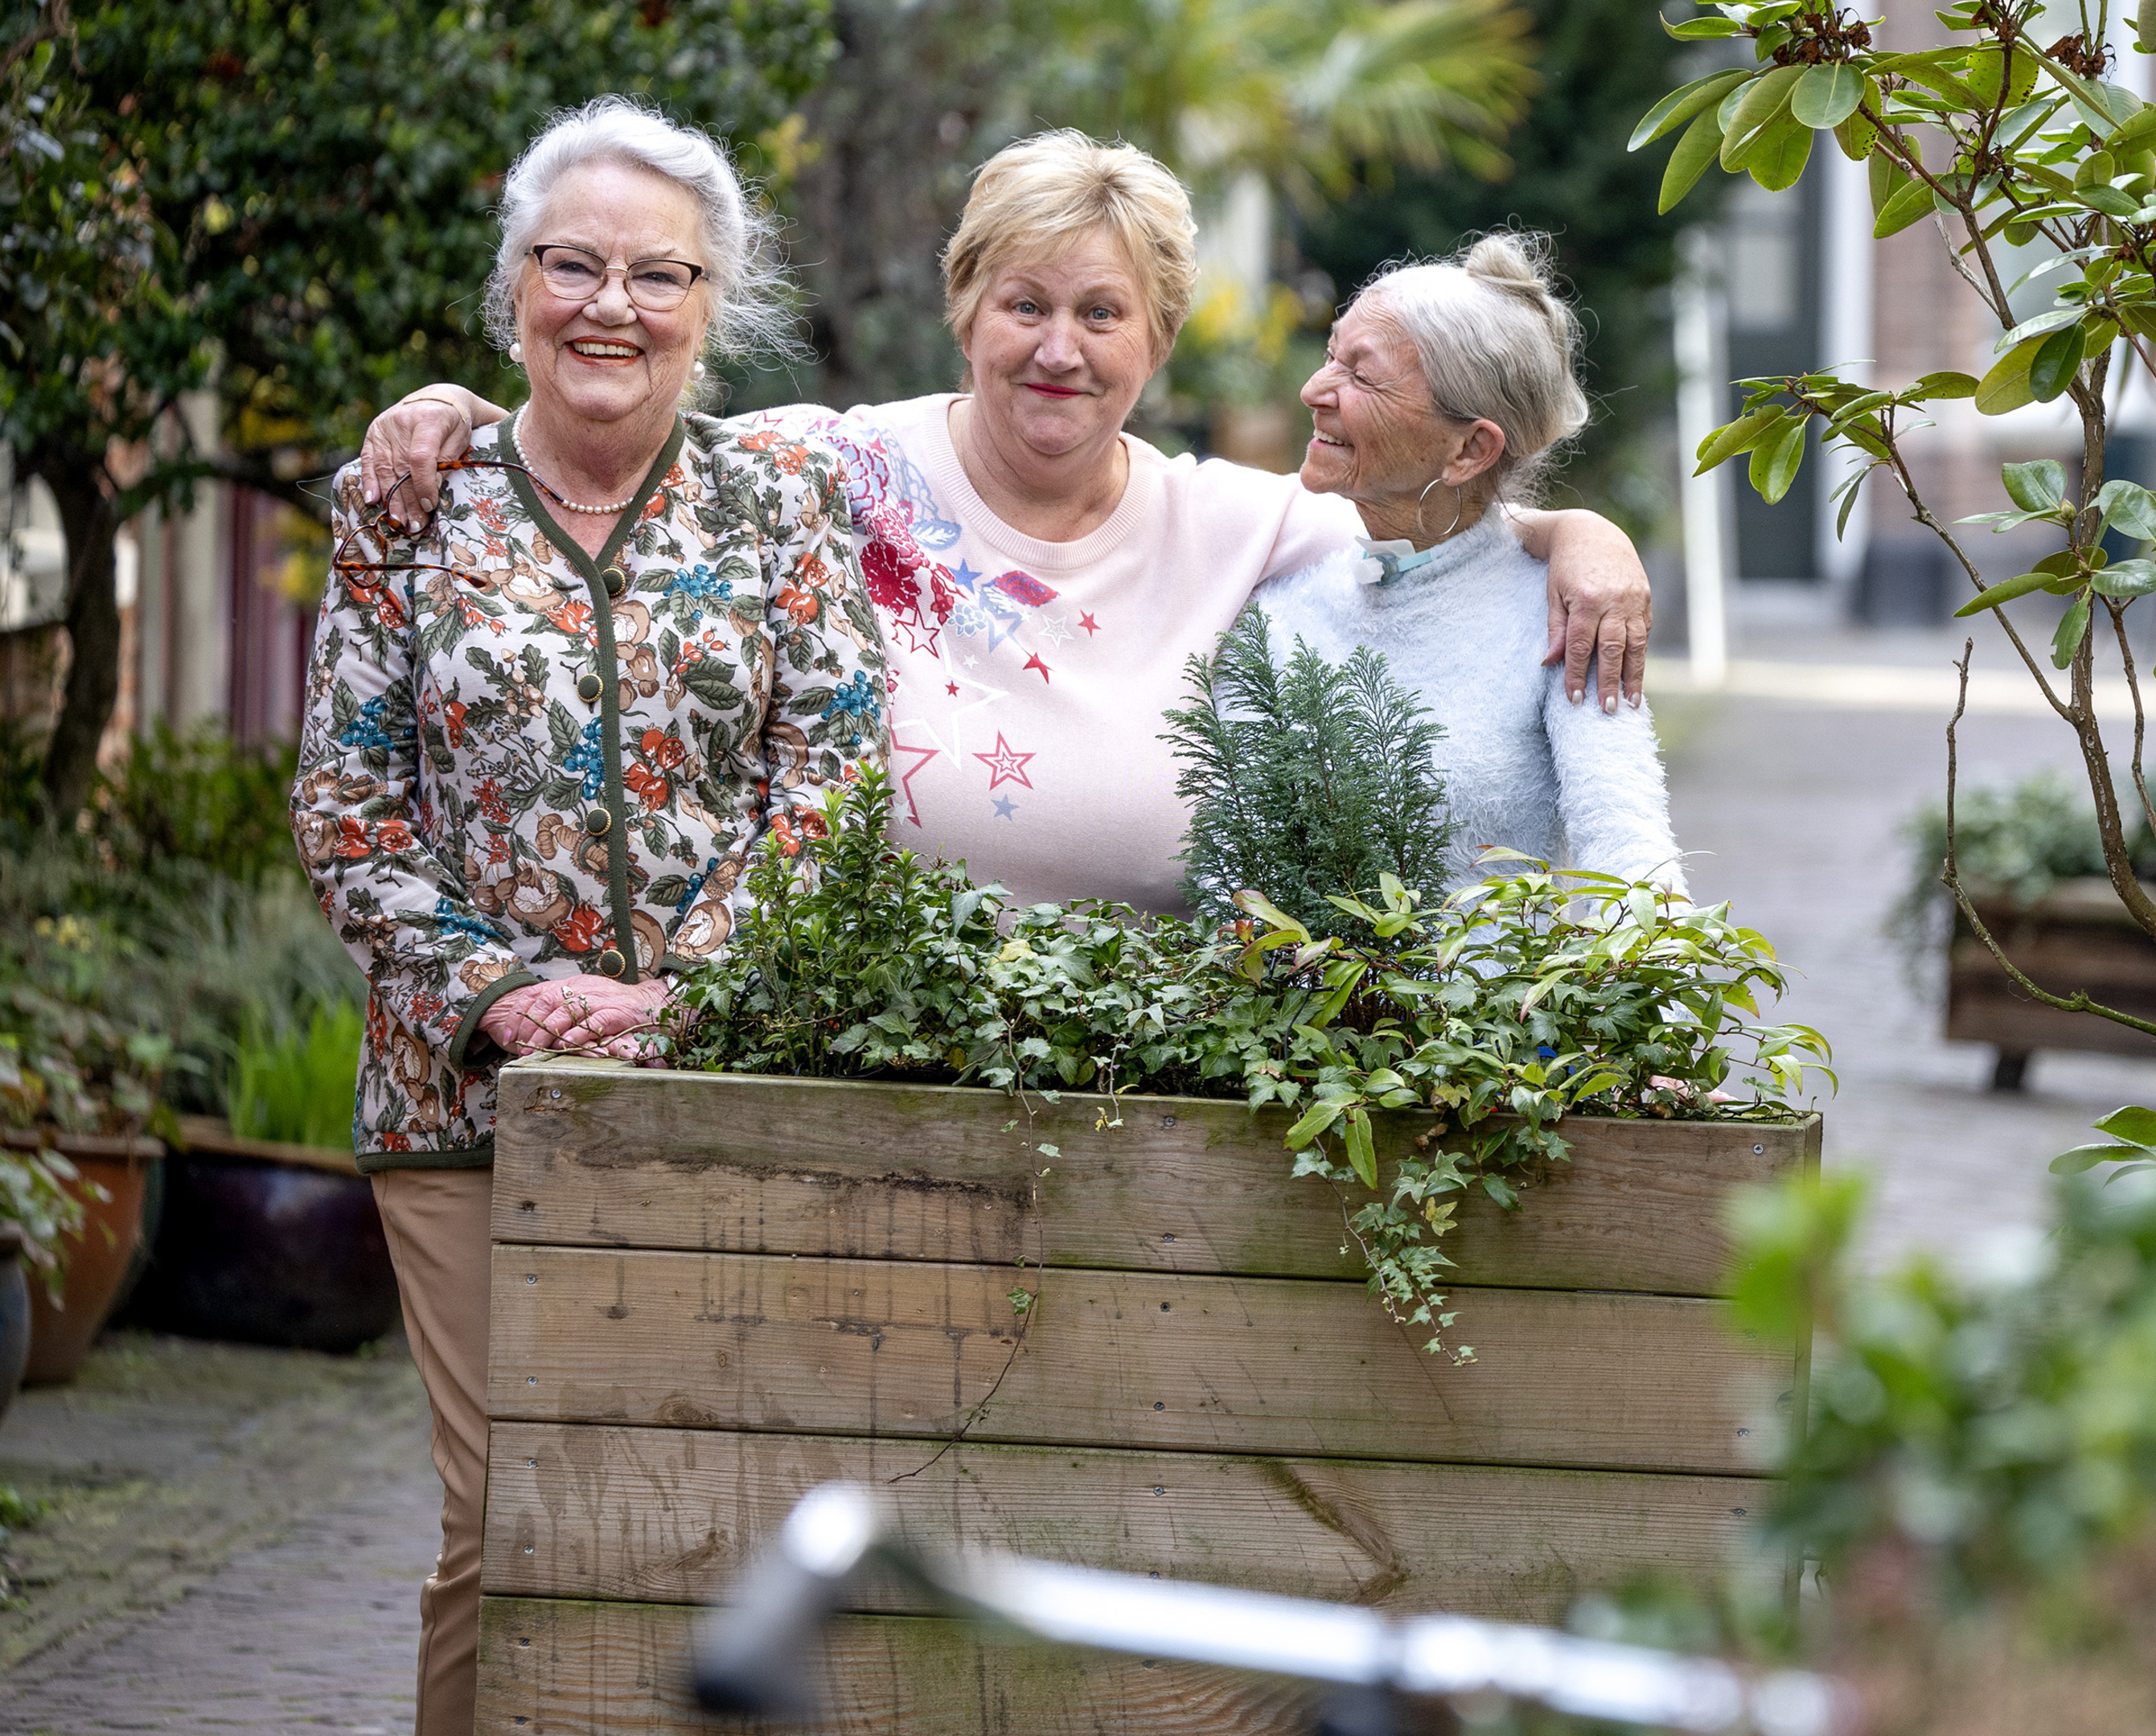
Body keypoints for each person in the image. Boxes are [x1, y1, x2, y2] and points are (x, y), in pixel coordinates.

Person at [359, 131, 1657, 911]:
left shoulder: (1246, 526)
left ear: (1157, 338)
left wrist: (1584, 536)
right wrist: (463, 407)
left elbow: (1442, 530)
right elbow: (624, 441)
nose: (1058, 349)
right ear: (964, 307)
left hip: (1142, 1076)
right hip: (857, 1050)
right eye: (1022, 303)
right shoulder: (837, 465)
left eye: (1101, 313)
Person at [292, 96, 887, 1736]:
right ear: (514, 290)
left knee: (701, 1514)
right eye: (572, 265)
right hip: (466, 1096)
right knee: (506, 1526)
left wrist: (682, 993)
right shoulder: (415, 498)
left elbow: (833, 796)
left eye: (658, 272)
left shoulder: (783, 503)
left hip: (725, 1083)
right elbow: (343, 808)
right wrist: (504, 987)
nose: (610, 304)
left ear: (713, 301)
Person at [1251, 234, 1683, 895]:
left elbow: (1630, 857)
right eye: (1331, 355)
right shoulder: (1278, 594)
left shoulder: (1568, 615)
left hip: (1489, 1000)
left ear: (1468, 451)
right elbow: (1228, 871)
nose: (1315, 389)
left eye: (1361, 375)